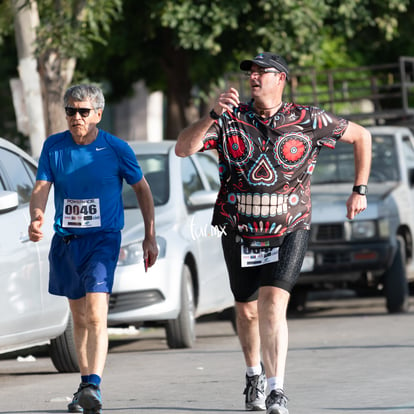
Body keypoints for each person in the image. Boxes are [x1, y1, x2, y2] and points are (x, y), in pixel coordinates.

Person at [175, 52, 371, 414]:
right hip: (239, 228)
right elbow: (183, 149)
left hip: (290, 227)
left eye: (262, 72)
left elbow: (362, 136)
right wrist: (212, 116)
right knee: (247, 310)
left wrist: (359, 190)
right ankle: (254, 376)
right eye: (251, 71)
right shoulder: (230, 118)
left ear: (281, 78)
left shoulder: (309, 119)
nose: (254, 77)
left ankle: (277, 389)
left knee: (274, 304)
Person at [29, 84, 158, 414]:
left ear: (98, 114)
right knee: (79, 316)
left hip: (103, 240)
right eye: (71, 111)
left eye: (83, 111)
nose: (76, 117)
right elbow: (42, 186)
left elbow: (142, 189)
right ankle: (86, 384)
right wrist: (37, 216)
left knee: (97, 312)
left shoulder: (115, 148)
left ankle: (93, 385)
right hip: (67, 241)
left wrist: (149, 235)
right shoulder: (54, 147)